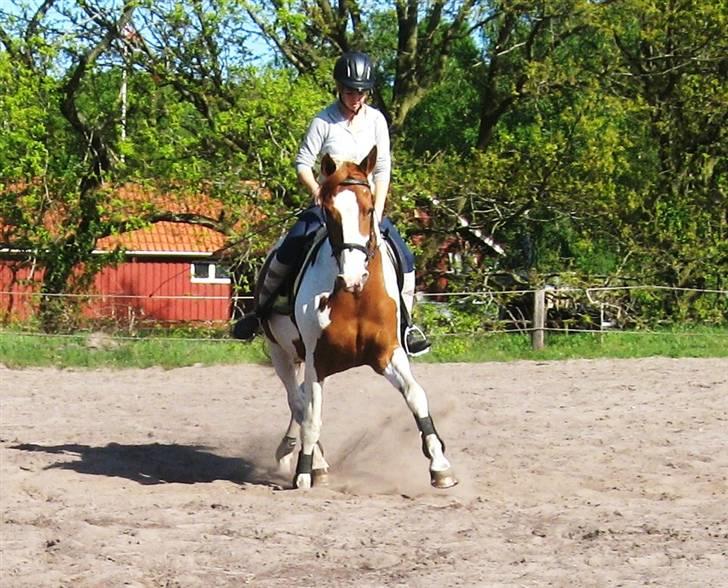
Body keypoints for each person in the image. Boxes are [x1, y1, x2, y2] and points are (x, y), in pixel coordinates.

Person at [234, 51, 430, 356]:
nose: (356, 98)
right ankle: (260, 313)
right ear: (339, 88)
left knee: (404, 258)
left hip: (365, 208)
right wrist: (316, 189)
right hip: (329, 205)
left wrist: (377, 210)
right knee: (287, 251)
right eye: (350, 91)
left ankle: (406, 325)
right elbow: (303, 162)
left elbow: (383, 168)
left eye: (361, 92)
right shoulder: (323, 121)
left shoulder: (376, 120)